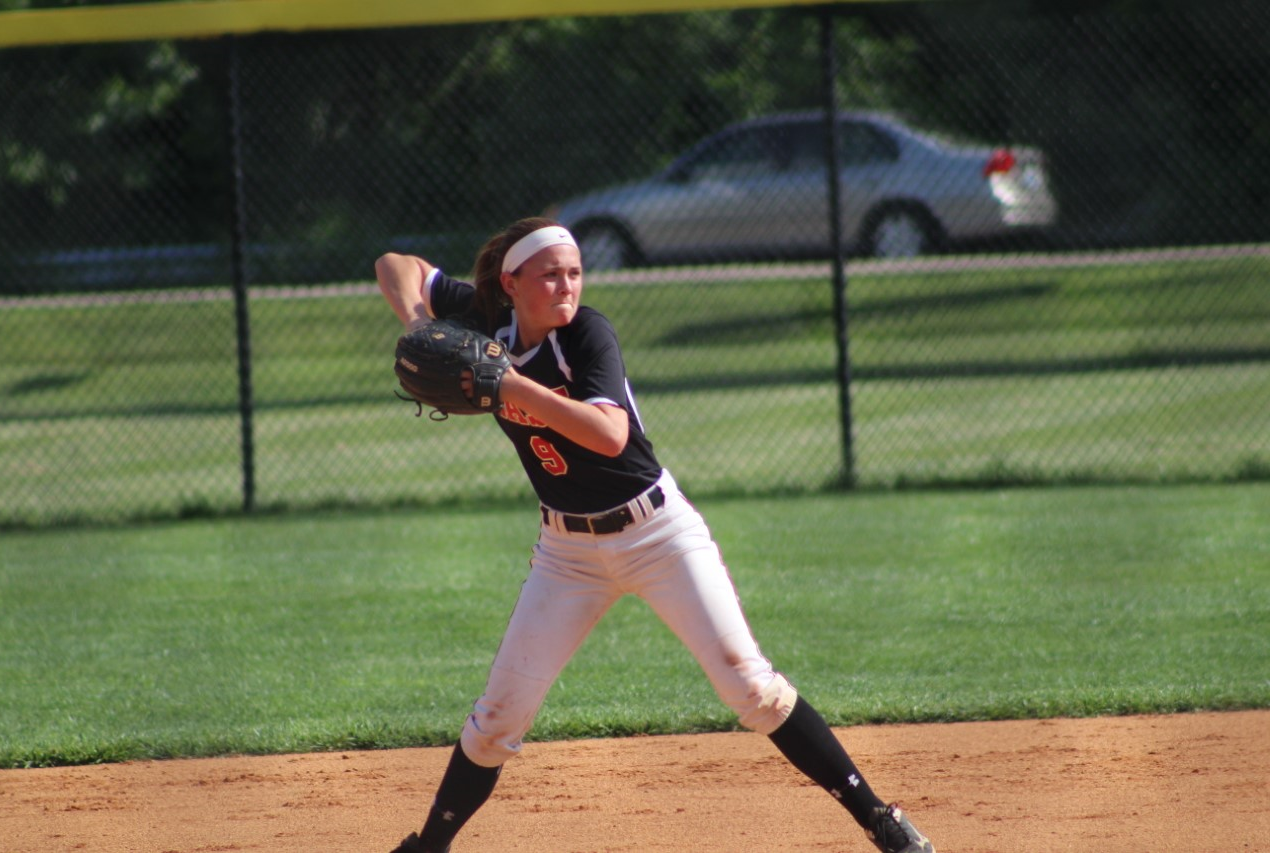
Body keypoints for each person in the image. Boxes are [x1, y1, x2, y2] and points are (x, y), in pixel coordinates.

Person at [374, 217, 935, 853]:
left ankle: (882, 822)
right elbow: (397, 262)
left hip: (657, 532)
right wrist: (419, 320)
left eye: (576, 272)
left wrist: (507, 384)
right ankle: (428, 848)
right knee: (497, 718)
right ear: (511, 282)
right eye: (551, 274)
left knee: (749, 685)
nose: (566, 285)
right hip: (567, 554)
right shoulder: (487, 319)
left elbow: (607, 435)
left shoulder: (586, 333)